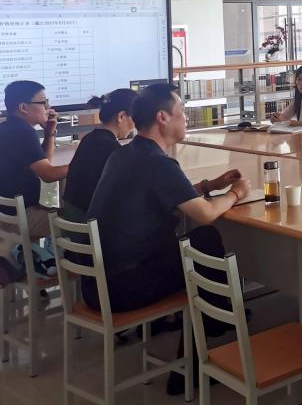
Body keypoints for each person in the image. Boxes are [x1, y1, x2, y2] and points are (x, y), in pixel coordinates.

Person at [85, 83, 250, 395]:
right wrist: (236, 194)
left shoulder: (125, 154)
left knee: (199, 247)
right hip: (124, 288)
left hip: (97, 284)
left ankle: (215, 324)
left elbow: (166, 192)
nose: (186, 118)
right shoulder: (157, 163)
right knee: (205, 241)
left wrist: (209, 185)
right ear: (162, 117)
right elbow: (205, 213)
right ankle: (204, 345)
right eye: (181, 112)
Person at [0, 80, 68, 237]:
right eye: (43, 102)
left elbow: (44, 164)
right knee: (78, 219)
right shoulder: (23, 132)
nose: (48, 107)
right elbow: (48, 175)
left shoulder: (7, 128)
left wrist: (50, 133)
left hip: (6, 214)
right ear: (23, 107)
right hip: (22, 217)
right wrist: (83, 163)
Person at [62, 89, 137, 222]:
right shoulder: (112, 148)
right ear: (121, 116)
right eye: (135, 118)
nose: (135, 126)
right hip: (89, 226)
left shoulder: (89, 138)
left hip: (70, 221)